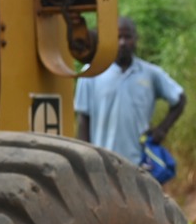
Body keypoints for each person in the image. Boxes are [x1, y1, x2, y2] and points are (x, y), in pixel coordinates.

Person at [75, 17, 187, 165]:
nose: (123, 42)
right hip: (103, 164)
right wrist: (86, 159)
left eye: (127, 37)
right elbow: (83, 119)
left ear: (136, 39)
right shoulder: (91, 72)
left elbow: (180, 99)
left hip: (138, 164)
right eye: (118, 37)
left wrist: (162, 130)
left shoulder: (150, 73)